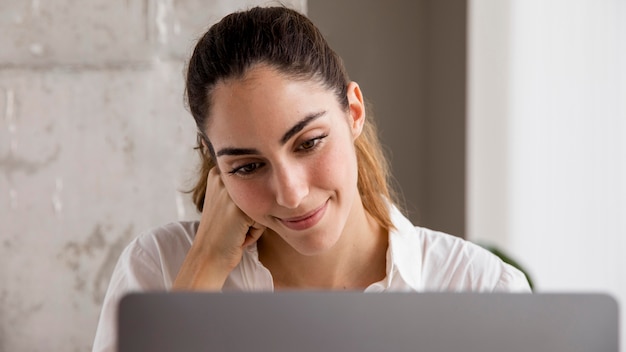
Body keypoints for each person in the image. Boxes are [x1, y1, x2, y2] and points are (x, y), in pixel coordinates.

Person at [92, 6, 530, 351]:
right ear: (217, 168)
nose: (291, 192)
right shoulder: (159, 268)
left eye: (309, 143)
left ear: (353, 112)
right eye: (247, 166)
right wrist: (205, 264)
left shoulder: (482, 289)